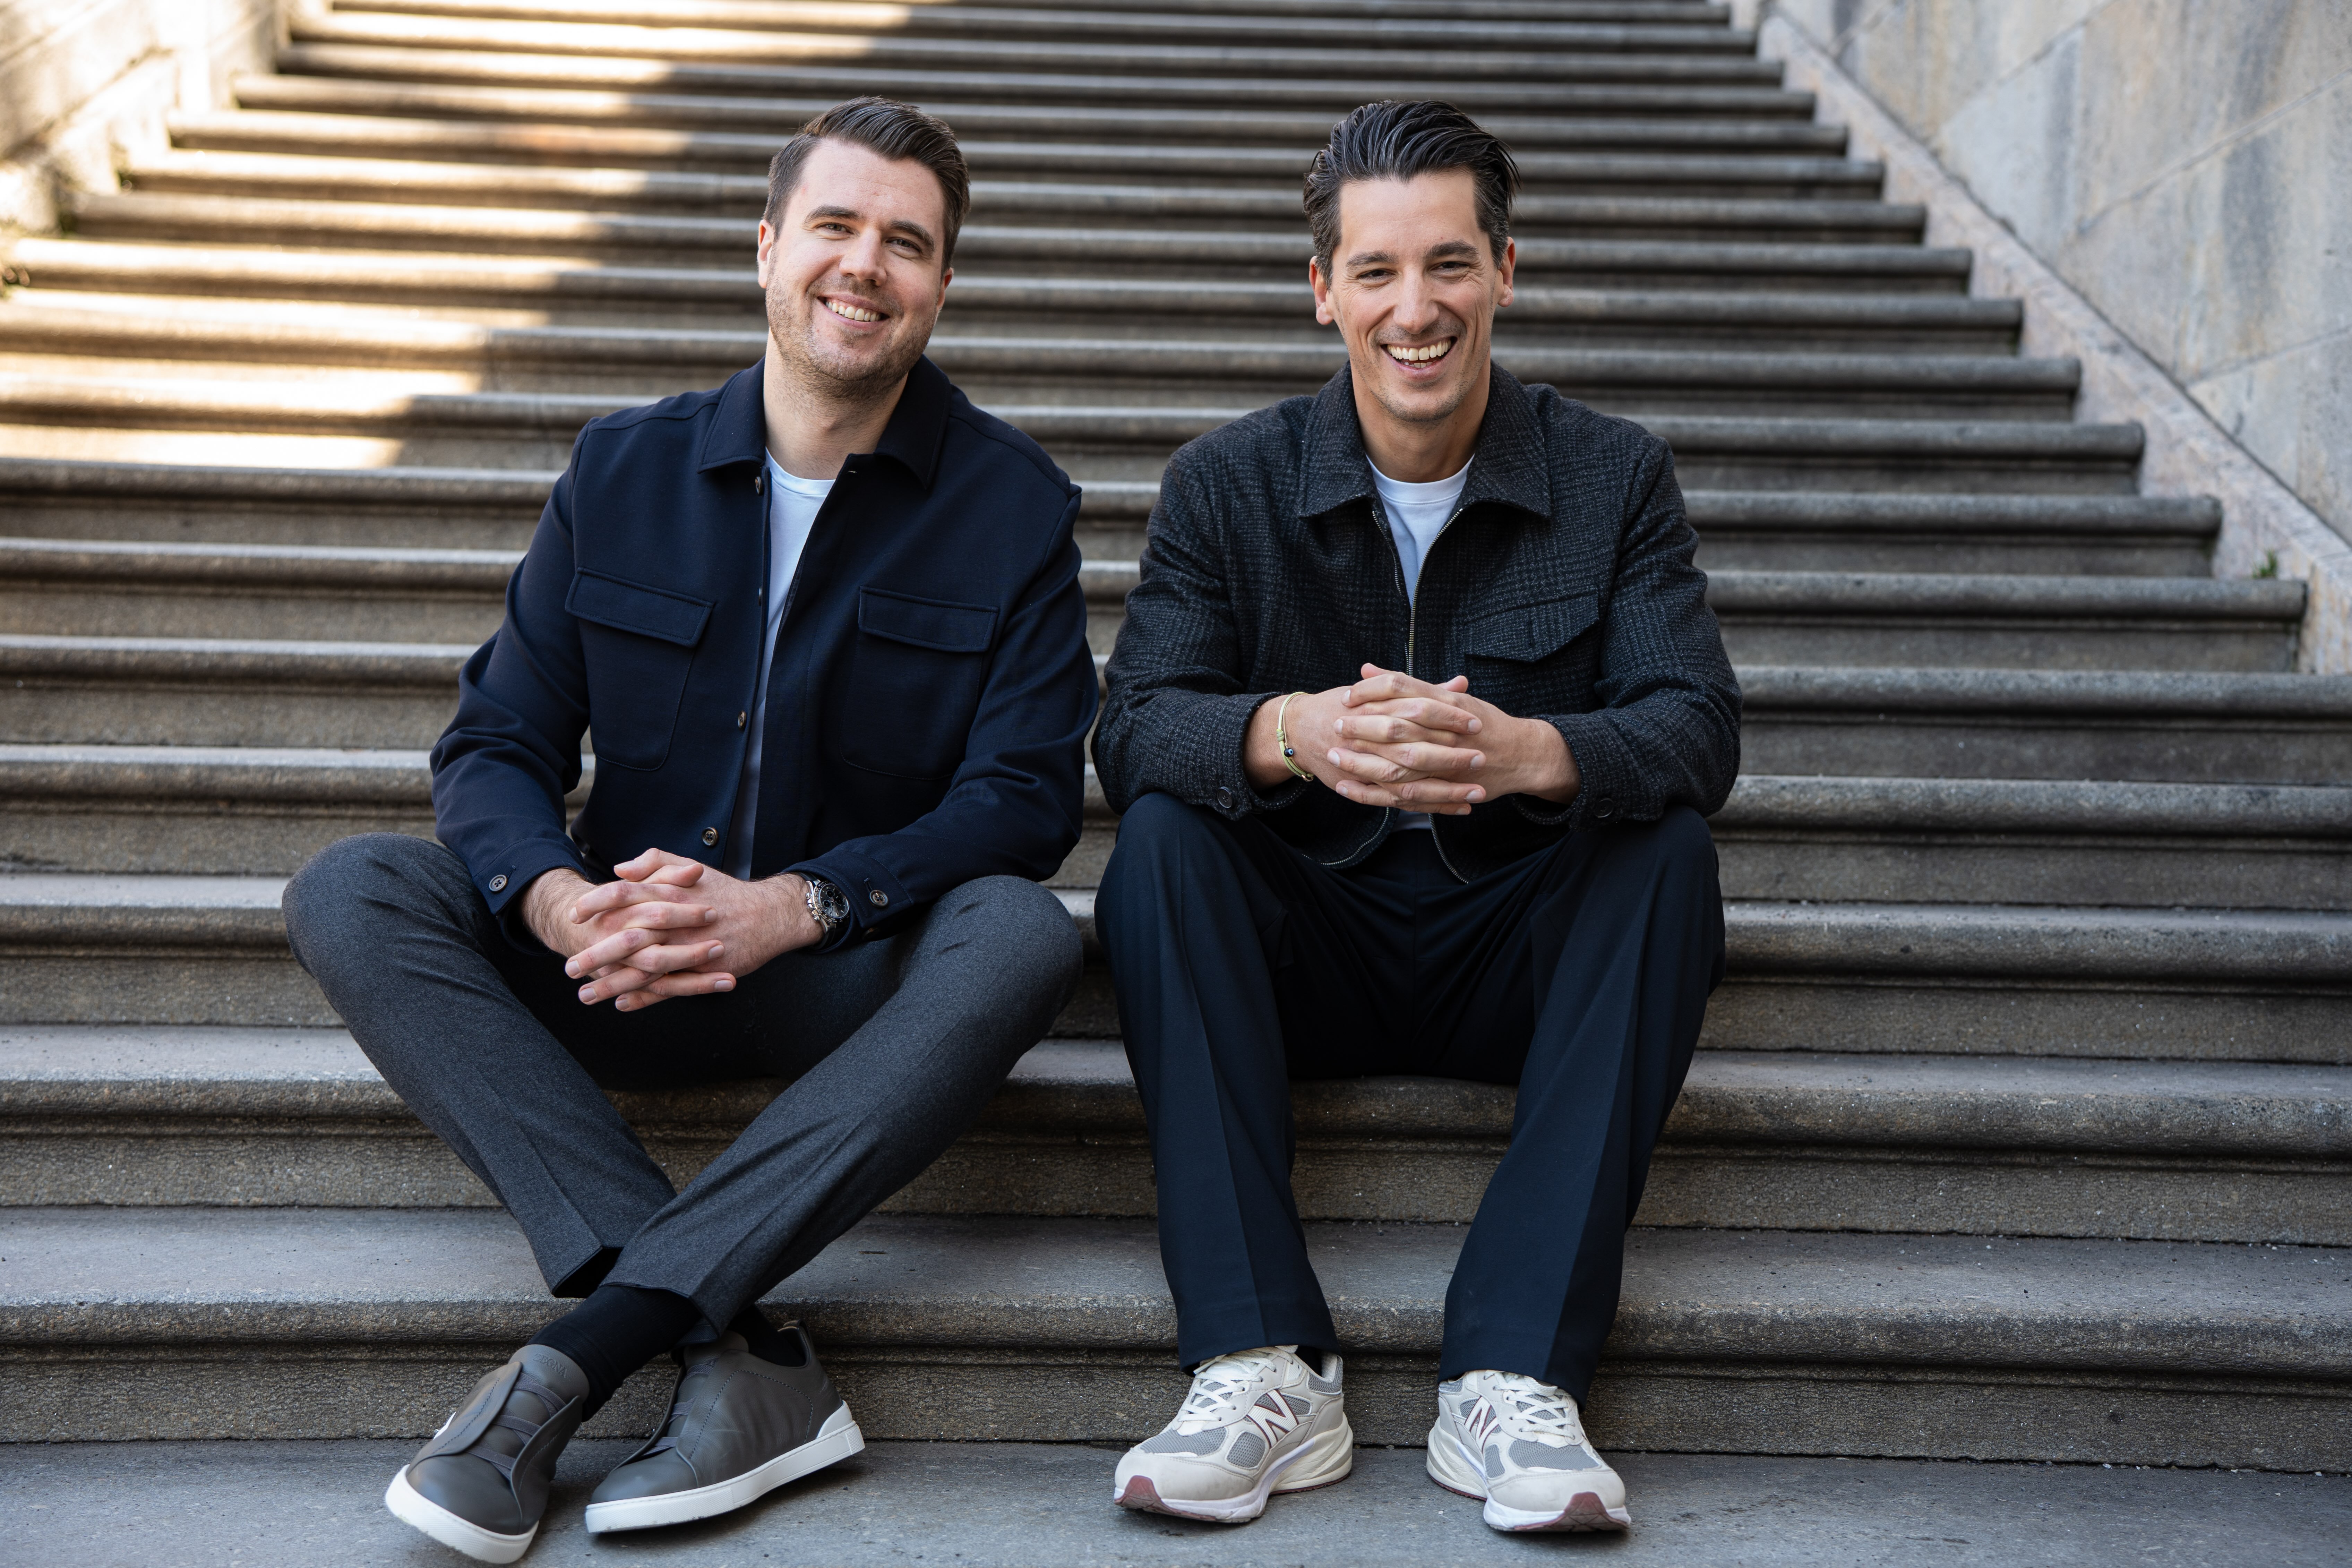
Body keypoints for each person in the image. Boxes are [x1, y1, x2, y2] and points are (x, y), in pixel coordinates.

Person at [282, 97, 1097, 1564]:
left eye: (907, 243)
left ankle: (581, 1355)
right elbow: (498, 742)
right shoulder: (623, 469)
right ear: (768, 245)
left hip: (840, 989)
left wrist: (796, 904)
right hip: (615, 963)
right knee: (355, 888)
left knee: (1022, 932)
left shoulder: (1014, 506)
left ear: (942, 283)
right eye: (835, 226)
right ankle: (741, 1346)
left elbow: (1025, 798)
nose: (865, 265)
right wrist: (556, 901)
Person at [1091, 99, 1741, 1536]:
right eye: (1376, 270)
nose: (1415, 307)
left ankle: (1513, 1373)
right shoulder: (1225, 483)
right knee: (1163, 844)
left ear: (1505, 269)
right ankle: (1261, 1361)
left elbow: (1697, 726)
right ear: (1323, 290)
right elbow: (1131, 727)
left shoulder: (1614, 475)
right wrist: (1291, 731)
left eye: (1448, 263)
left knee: (1666, 848)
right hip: (1301, 957)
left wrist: (1532, 754)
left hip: (1517, 957)